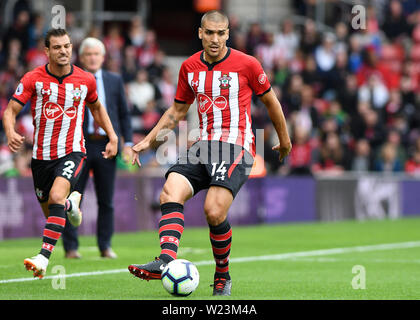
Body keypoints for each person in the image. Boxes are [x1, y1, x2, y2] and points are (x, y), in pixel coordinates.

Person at [127, 11, 291, 296]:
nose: (215, 39)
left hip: (236, 145)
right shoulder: (189, 67)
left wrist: (285, 140)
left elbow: (272, 102)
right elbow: (177, 110)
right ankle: (166, 260)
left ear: (227, 34)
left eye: (221, 33)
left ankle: (222, 275)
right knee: (170, 191)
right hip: (202, 145)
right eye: (210, 33)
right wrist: (148, 141)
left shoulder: (248, 64)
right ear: (200, 33)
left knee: (213, 211)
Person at [2, 29, 118, 278]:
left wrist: (113, 136)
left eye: (67, 46)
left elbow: (97, 107)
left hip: (72, 151)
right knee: (53, 212)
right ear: (47, 51)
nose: (63, 51)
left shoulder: (85, 79)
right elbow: (10, 110)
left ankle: (43, 258)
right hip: (41, 157)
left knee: (55, 197)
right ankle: (70, 203)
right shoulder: (34, 78)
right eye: (57, 47)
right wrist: (10, 131)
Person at [61, 37, 133, 259]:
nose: (92, 58)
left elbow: (123, 113)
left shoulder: (114, 80)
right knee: (73, 196)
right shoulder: (72, 79)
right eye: (88, 54)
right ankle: (71, 248)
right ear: (81, 57)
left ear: (103, 57)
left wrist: (127, 143)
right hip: (78, 145)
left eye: (96, 54)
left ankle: (105, 245)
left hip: (106, 145)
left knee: (106, 199)